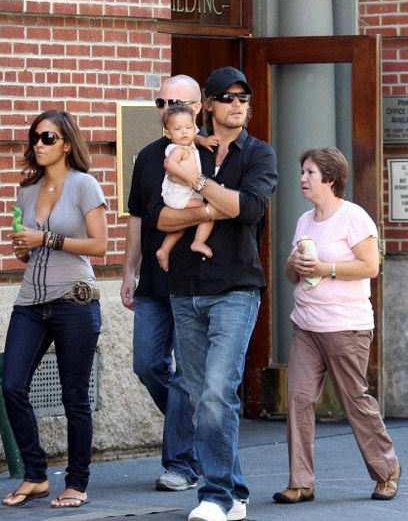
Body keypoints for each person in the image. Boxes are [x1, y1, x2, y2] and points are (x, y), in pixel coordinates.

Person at [149, 66, 277, 521]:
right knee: (203, 395)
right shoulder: (177, 147)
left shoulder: (259, 154)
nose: (237, 104)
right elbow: (159, 220)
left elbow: (250, 208)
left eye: (244, 97)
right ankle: (234, 490)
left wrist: (198, 187)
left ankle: (216, 495)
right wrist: (214, 205)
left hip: (236, 288)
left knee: (217, 393)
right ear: (208, 105)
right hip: (184, 288)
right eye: (227, 97)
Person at [273, 147, 400, 504]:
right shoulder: (304, 221)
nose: (302, 178)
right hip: (307, 325)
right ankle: (300, 482)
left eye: (310, 173)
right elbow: (291, 275)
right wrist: (293, 262)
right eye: (302, 172)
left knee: (354, 400)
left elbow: (370, 266)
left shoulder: (353, 218)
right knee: (298, 399)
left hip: (346, 326)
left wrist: (325, 268)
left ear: (330, 178)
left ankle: (386, 470)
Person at [1, 110, 107, 508]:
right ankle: (36, 474)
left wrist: (45, 238)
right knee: (12, 385)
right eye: (35, 138)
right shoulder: (27, 191)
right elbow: (29, 254)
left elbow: (99, 246)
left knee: (74, 397)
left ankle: (77, 483)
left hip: (75, 301)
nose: (39, 145)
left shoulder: (84, 185)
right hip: (30, 301)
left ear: (66, 143)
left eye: (48, 137)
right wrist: (24, 249)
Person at [121, 75, 212, 492]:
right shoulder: (148, 155)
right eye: (160, 101)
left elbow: (218, 208)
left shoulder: (211, 152)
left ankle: (180, 463)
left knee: (185, 377)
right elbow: (138, 216)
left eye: (173, 100)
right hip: (154, 281)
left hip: (194, 281)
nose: (164, 106)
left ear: (197, 108)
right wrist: (127, 269)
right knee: (146, 364)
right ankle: (189, 436)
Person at [156, 104, 215, 271]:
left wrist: (203, 140)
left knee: (179, 227)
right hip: (178, 195)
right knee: (207, 211)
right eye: (178, 129)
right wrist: (188, 176)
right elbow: (169, 164)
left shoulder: (188, 143)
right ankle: (198, 242)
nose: (184, 132)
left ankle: (164, 250)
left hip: (183, 194)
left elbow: (193, 138)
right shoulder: (178, 149)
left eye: (189, 127)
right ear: (168, 133)